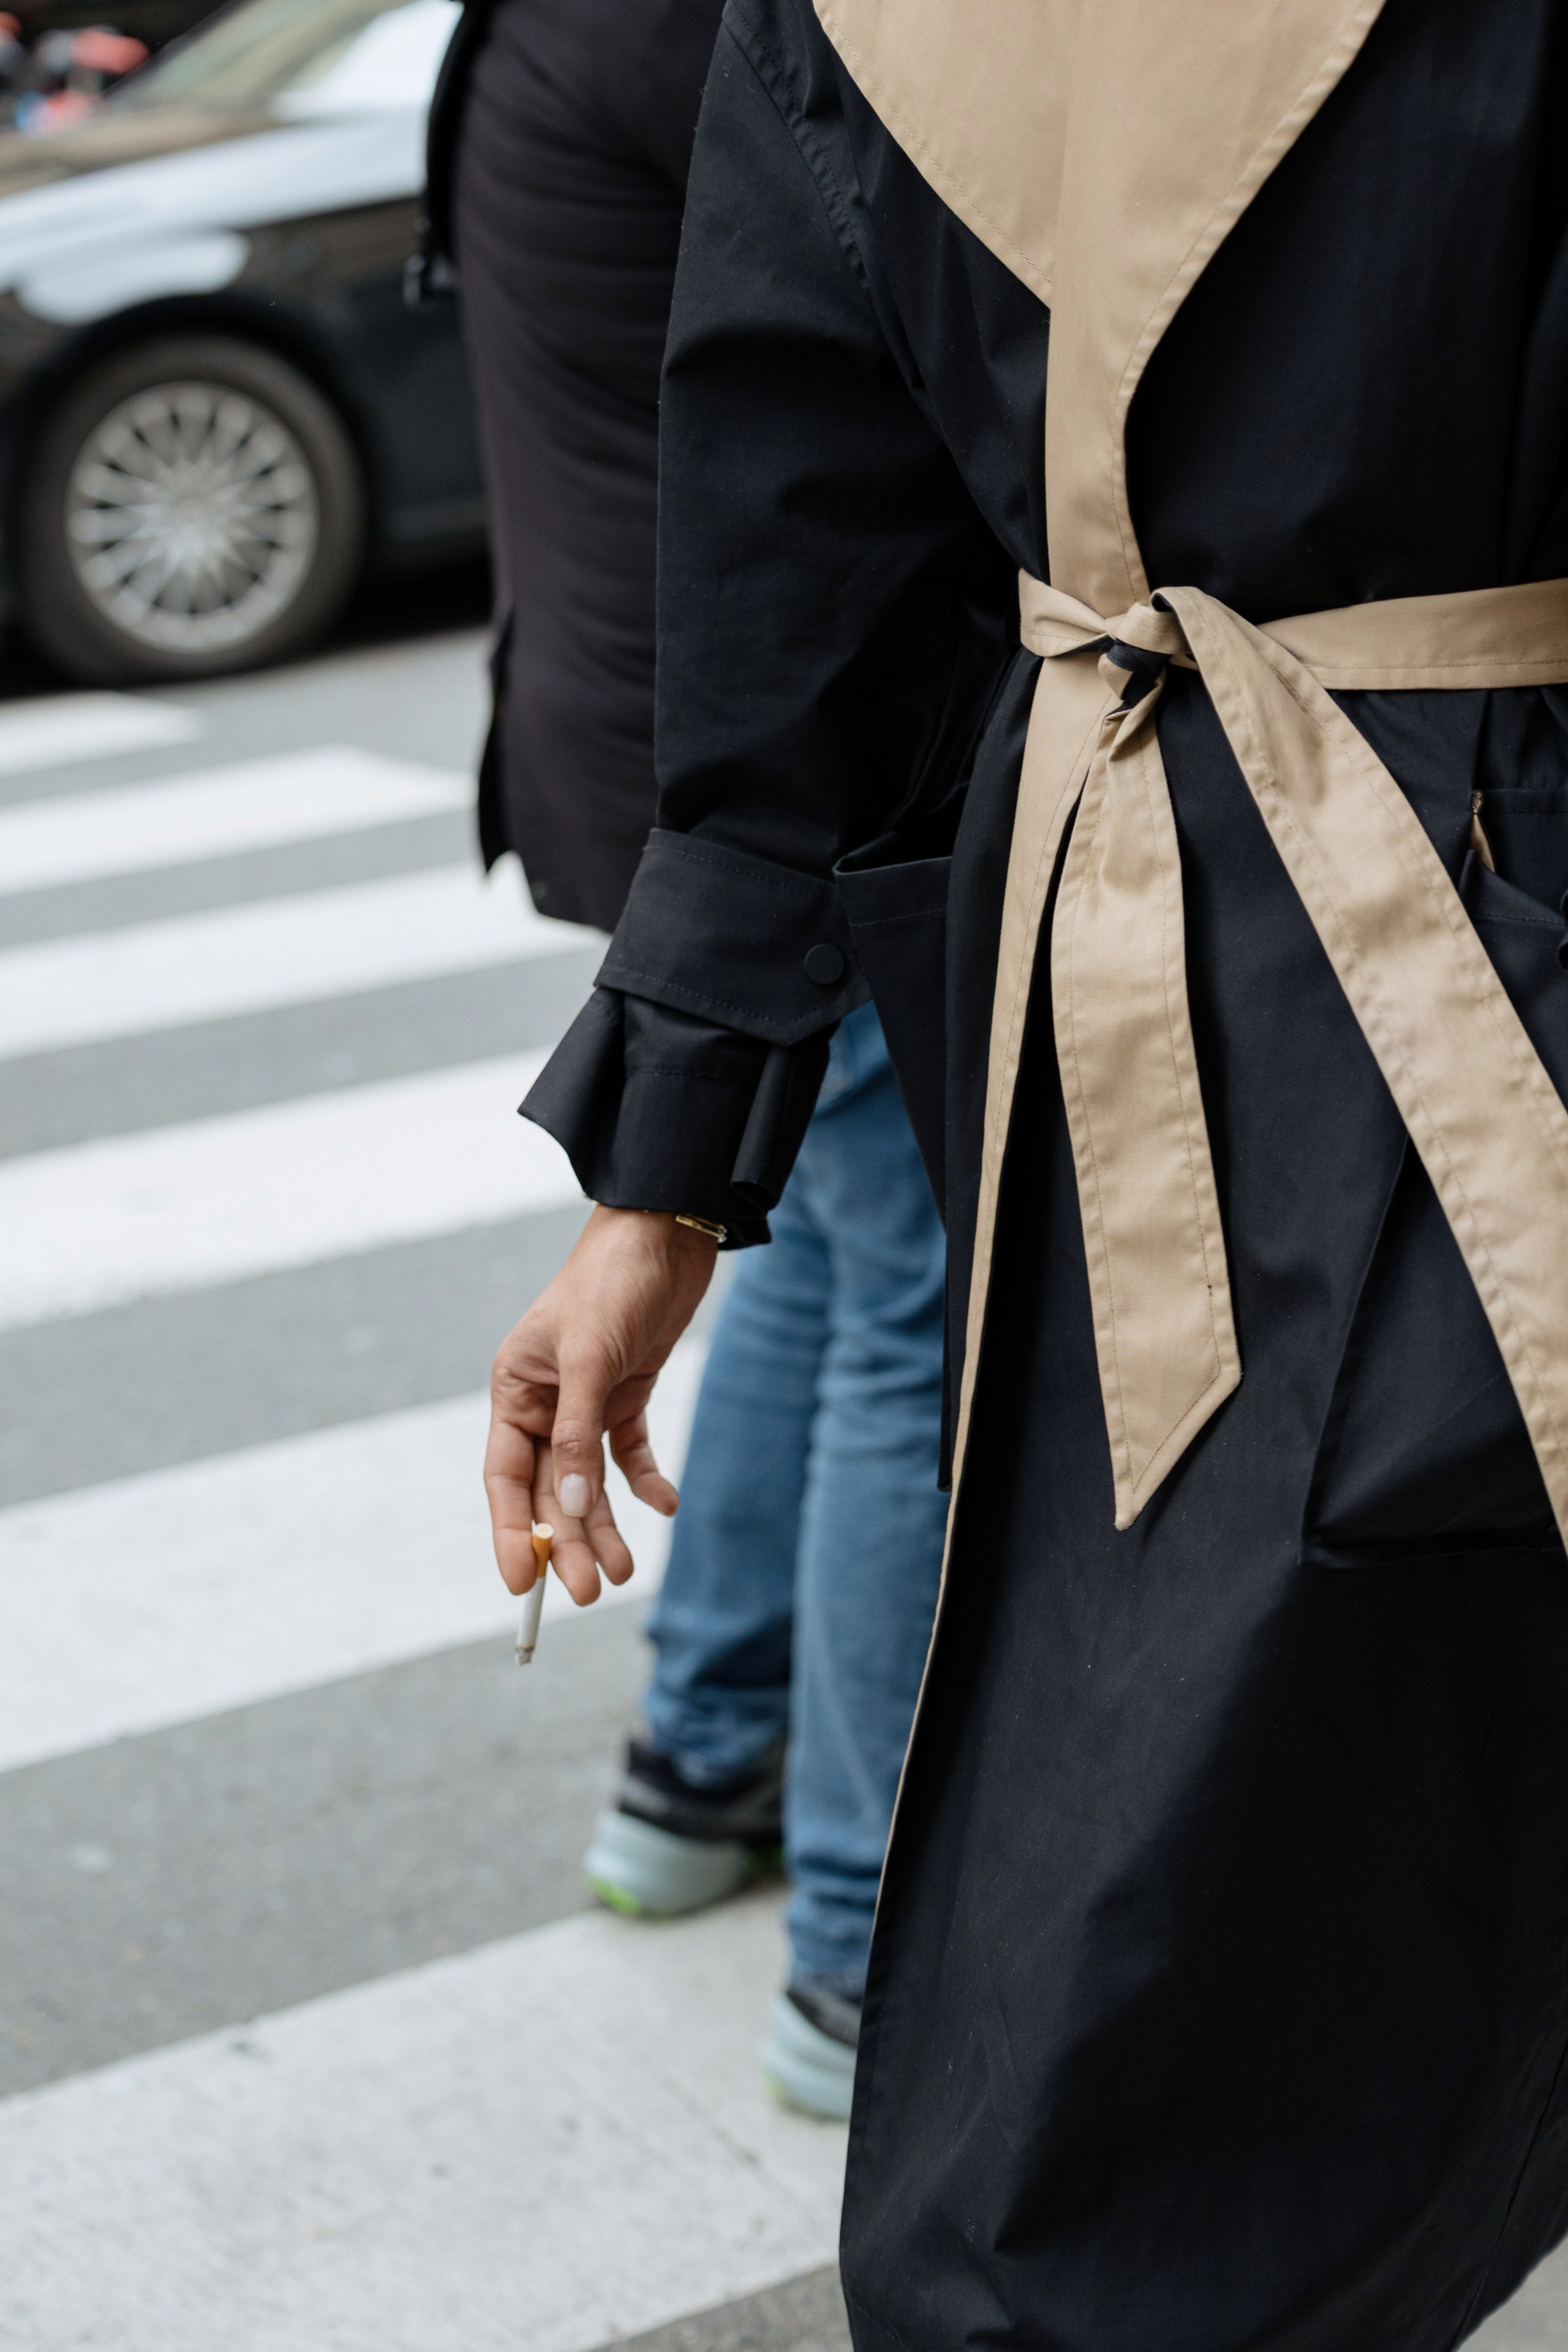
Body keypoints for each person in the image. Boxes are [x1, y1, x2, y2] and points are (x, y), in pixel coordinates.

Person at [484, 0, 1568, 2343]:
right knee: (1168, 1982)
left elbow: (791, 570)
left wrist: (660, 1182)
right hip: (1270, 961)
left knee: (1148, 1986)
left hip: (1154, 937)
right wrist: (656, 1180)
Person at [424, 0, 949, 2118]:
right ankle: (853, 1945)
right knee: (907, 1309)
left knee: (803, 1266)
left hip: (646, 761)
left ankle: (698, 1763)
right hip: (758, 797)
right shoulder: (704, 22)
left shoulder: (535, 21)